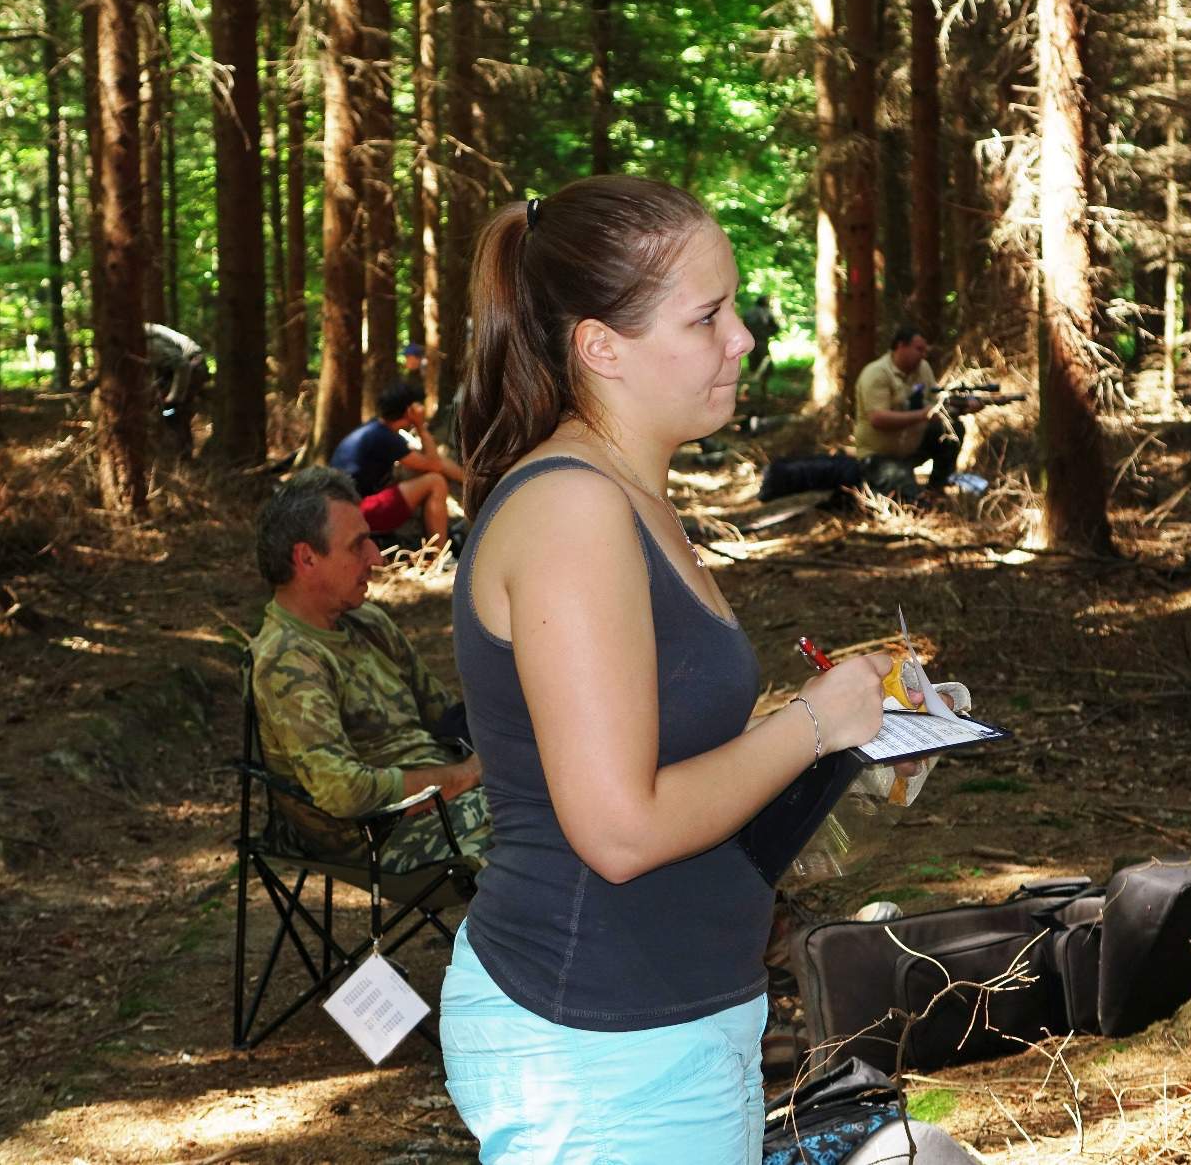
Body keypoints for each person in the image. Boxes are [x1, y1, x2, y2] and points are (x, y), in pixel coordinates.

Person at [441, 175, 892, 1162]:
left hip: (664, 1016)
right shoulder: (571, 509)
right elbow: (619, 827)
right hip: (599, 1042)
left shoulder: (633, 497)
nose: (742, 337)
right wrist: (811, 723)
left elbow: (674, 765)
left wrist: (858, 737)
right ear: (601, 346)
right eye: (706, 316)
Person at [249, 467, 491, 872]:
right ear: (307, 558)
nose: (376, 558)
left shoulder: (367, 622)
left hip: (447, 804)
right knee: (538, 835)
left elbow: (444, 714)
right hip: (379, 835)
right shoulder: (286, 659)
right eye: (357, 545)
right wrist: (463, 776)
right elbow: (343, 792)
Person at [329, 380, 467, 548]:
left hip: (343, 509)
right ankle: (440, 552)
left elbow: (432, 461)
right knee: (435, 481)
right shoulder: (386, 437)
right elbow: (435, 464)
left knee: (426, 469)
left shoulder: (376, 429)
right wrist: (420, 426)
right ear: (410, 410)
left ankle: (471, 481)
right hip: (358, 512)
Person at [851, 325, 973, 498]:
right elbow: (878, 419)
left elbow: (935, 404)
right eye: (919, 349)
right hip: (878, 456)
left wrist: (962, 407)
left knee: (953, 429)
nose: (923, 355)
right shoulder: (876, 373)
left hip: (911, 449)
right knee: (909, 498)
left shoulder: (923, 368)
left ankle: (938, 487)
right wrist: (923, 415)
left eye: (925, 351)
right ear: (901, 346)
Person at [145, 322, 209, 457]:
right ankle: (179, 455)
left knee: (172, 412)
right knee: (168, 410)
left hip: (193, 366)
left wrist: (173, 398)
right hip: (181, 368)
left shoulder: (150, 342)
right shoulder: (147, 335)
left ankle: (182, 457)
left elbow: (183, 366)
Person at [740, 297, 778, 403]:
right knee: (765, 367)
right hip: (762, 344)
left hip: (750, 344)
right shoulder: (766, 313)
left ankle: (746, 392)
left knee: (752, 368)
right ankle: (764, 392)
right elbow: (775, 328)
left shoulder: (748, 313)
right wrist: (766, 333)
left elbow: (743, 327)